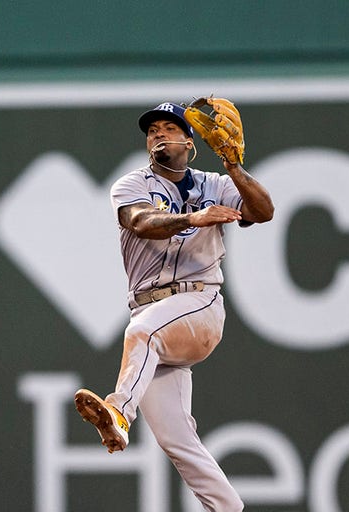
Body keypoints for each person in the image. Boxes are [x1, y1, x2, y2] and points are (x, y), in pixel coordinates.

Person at [74, 101, 274, 511]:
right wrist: (194, 219)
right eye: (152, 130)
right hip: (155, 315)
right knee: (178, 443)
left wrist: (234, 166)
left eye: (169, 127)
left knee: (140, 333)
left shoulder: (216, 184)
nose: (159, 134)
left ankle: (118, 411)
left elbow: (263, 211)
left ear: (189, 141)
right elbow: (142, 222)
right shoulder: (132, 184)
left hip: (198, 304)